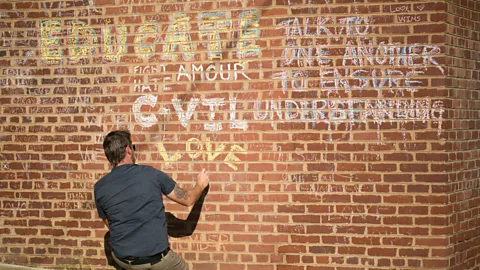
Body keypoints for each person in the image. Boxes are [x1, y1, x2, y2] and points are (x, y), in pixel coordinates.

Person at [94, 130, 209, 270]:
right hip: (155, 260)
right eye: (133, 147)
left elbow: (110, 224)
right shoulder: (151, 174)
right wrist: (200, 185)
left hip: (122, 259)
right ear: (128, 149)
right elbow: (188, 199)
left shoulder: (99, 187)